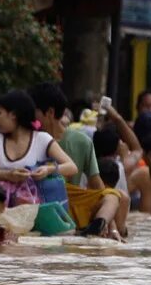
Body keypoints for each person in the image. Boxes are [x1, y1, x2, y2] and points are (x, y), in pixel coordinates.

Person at [28, 83, 121, 235]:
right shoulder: (29, 137)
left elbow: (98, 188)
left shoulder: (82, 141)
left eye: (34, 111)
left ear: (49, 112)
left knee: (113, 196)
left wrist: (113, 228)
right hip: (39, 202)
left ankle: (97, 227)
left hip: (71, 204)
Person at [0, 89, 78, 202]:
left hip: (32, 211)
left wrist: (48, 170)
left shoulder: (42, 139)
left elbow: (72, 167)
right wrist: (8, 175)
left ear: (13, 114)